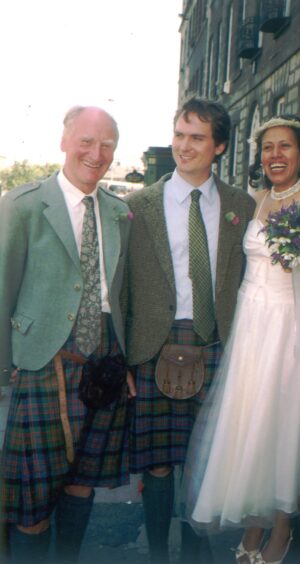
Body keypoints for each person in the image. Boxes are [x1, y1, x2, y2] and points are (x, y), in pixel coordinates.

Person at [181, 115, 300, 564]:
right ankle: (254, 519)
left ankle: (283, 525)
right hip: (251, 328)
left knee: (282, 424)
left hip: (291, 327)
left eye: (285, 147)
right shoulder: (252, 201)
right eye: (268, 148)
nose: (275, 155)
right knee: (251, 423)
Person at [121, 97, 256, 563]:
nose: (184, 146)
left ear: (219, 146)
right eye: (179, 134)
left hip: (216, 342)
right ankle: (159, 553)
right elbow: (125, 291)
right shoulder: (139, 205)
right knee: (157, 463)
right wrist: (128, 359)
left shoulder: (242, 205)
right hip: (155, 344)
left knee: (204, 458)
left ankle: (199, 553)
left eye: (197, 137)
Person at [0, 105, 135, 563]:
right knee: (32, 500)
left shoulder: (119, 212)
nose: (96, 154)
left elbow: (122, 294)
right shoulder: (22, 205)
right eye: (86, 141)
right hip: (42, 362)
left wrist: (126, 360)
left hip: (104, 362)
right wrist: (4, 369)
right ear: (64, 141)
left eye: (107, 145)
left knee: (82, 481)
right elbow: (2, 290)